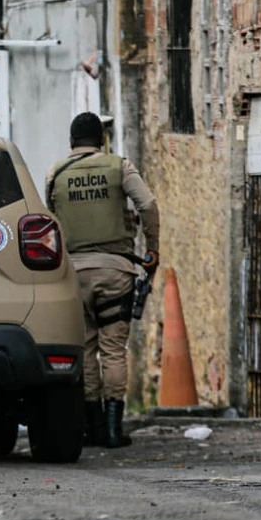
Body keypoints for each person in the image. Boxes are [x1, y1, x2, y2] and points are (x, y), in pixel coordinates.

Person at [46, 113, 160, 449]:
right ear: (102, 140)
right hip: (115, 271)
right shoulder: (119, 167)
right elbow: (148, 205)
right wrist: (153, 248)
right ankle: (112, 428)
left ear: (71, 141)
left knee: (86, 349)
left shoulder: (56, 173)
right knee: (113, 350)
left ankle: (92, 427)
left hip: (73, 274)